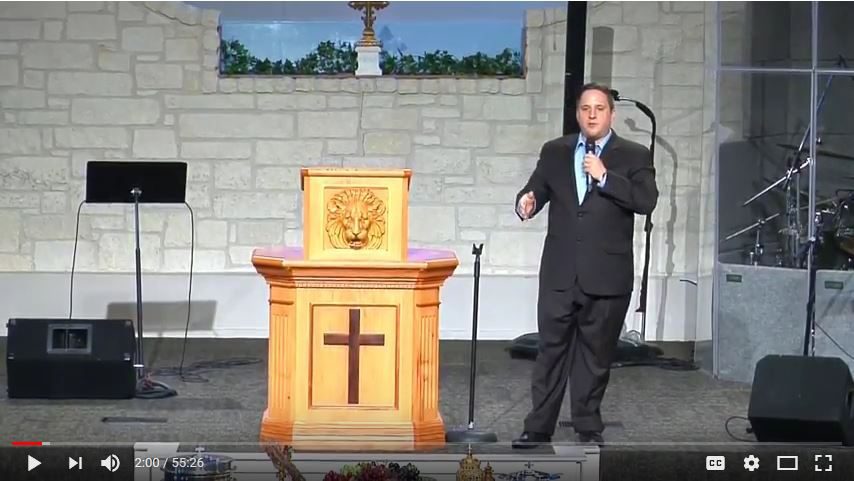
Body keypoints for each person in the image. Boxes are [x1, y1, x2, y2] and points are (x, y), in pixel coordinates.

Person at [511, 83, 658, 447]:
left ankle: (588, 426)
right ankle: (538, 427)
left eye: (599, 109)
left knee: (595, 356)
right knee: (550, 352)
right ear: (577, 113)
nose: (591, 115)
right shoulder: (555, 152)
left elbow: (646, 201)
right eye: (585, 109)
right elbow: (535, 190)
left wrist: (606, 177)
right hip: (561, 273)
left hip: (606, 275)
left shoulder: (634, 154)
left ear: (611, 114)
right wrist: (525, 202)